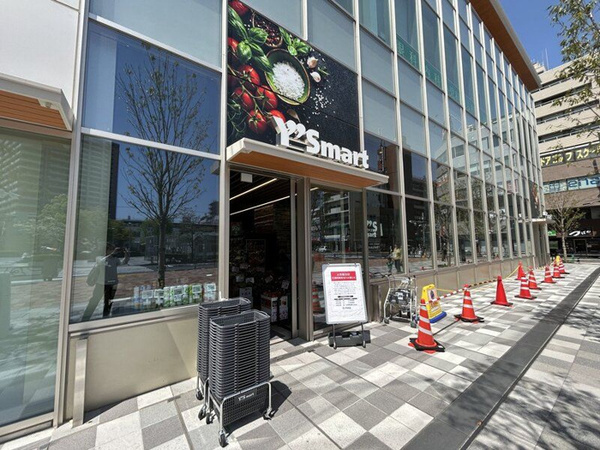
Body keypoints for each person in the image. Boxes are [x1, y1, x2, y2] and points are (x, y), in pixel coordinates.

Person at [82, 244, 129, 321]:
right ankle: (85, 318)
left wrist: (126, 254)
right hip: (101, 284)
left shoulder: (115, 259)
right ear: (106, 250)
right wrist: (111, 254)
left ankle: (105, 318)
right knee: (94, 301)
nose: (112, 251)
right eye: (110, 249)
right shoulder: (100, 258)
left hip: (112, 284)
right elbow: (101, 263)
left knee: (108, 303)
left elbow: (124, 262)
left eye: (113, 249)